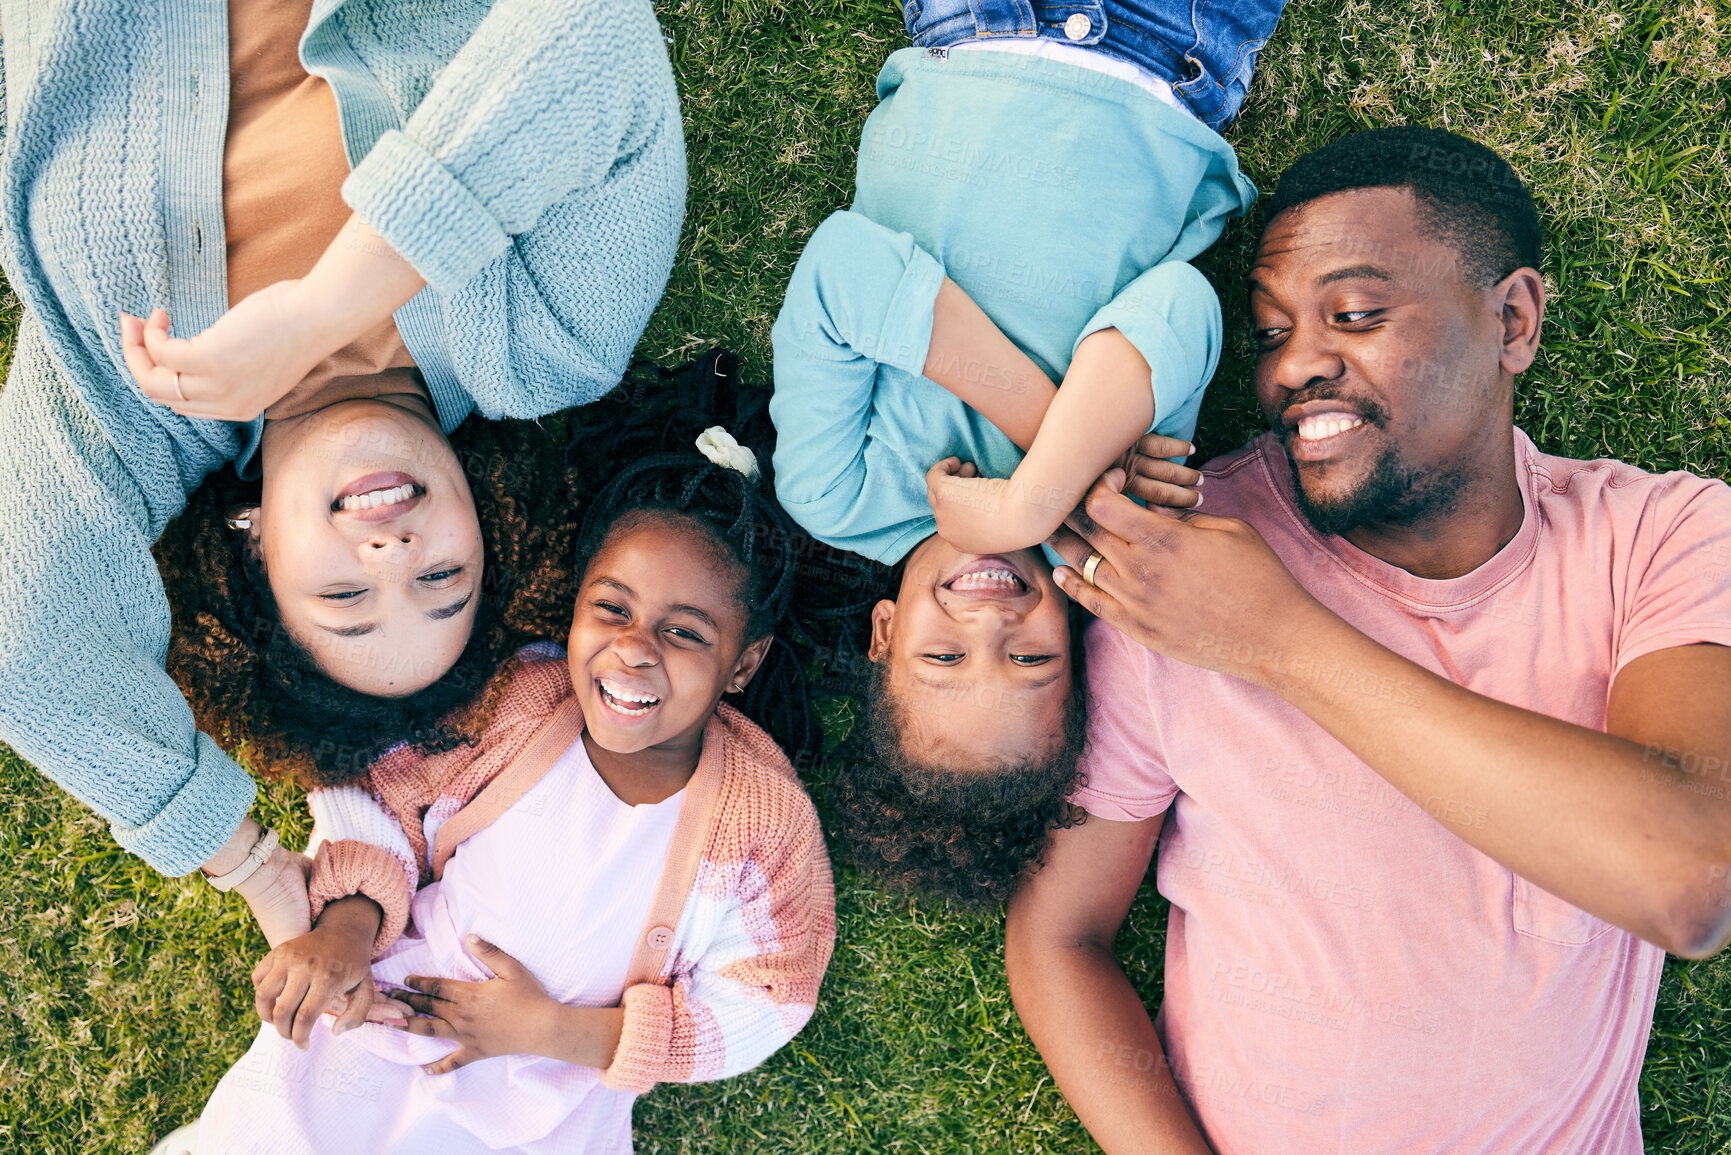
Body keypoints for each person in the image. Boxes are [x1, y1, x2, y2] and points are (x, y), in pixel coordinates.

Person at [1006, 126, 1731, 1153]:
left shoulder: (1659, 539)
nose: (1295, 364)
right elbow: (1058, 935)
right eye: (1269, 333)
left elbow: (1693, 880)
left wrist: (1276, 641)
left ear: (1513, 320)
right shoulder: (1182, 552)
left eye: (1354, 314)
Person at [0, 0, 684, 939]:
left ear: (256, 554)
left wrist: (246, 862)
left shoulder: (132, 408)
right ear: (486, 529)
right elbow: (597, 37)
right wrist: (326, 307)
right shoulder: (546, 340)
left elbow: (23, 649)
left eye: (344, 597)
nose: (392, 552)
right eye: (442, 575)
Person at [769, 0, 1284, 905]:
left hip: (974, 25)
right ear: (1072, 648)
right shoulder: (1120, 523)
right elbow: (1179, 307)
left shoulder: (835, 492)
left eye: (943, 660)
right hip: (1171, 53)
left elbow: (841, 266)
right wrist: (1053, 499)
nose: (988, 627)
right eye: (1030, 661)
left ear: (884, 636)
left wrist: (1047, 483)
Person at [184, 445, 836, 1154]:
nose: (633, 648)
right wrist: (343, 933)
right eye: (611, 608)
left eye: (683, 631)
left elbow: (767, 1001)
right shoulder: (522, 697)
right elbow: (382, 799)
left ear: (743, 661)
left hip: (547, 1105)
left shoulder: (763, 820)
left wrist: (546, 1029)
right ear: (576, 604)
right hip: (376, 1020)